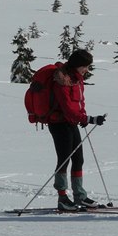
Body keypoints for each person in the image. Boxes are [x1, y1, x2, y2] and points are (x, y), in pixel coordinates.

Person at [49, 49, 106, 210]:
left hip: (71, 122)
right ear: (77, 65)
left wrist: (83, 116)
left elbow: (78, 103)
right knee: (64, 160)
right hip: (59, 123)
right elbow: (67, 109)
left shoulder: (76, 79)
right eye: (85, 66)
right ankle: (62, 199)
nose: (87, 70)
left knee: (78, 159)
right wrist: (88, 119)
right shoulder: (61, 81)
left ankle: (79, 196)